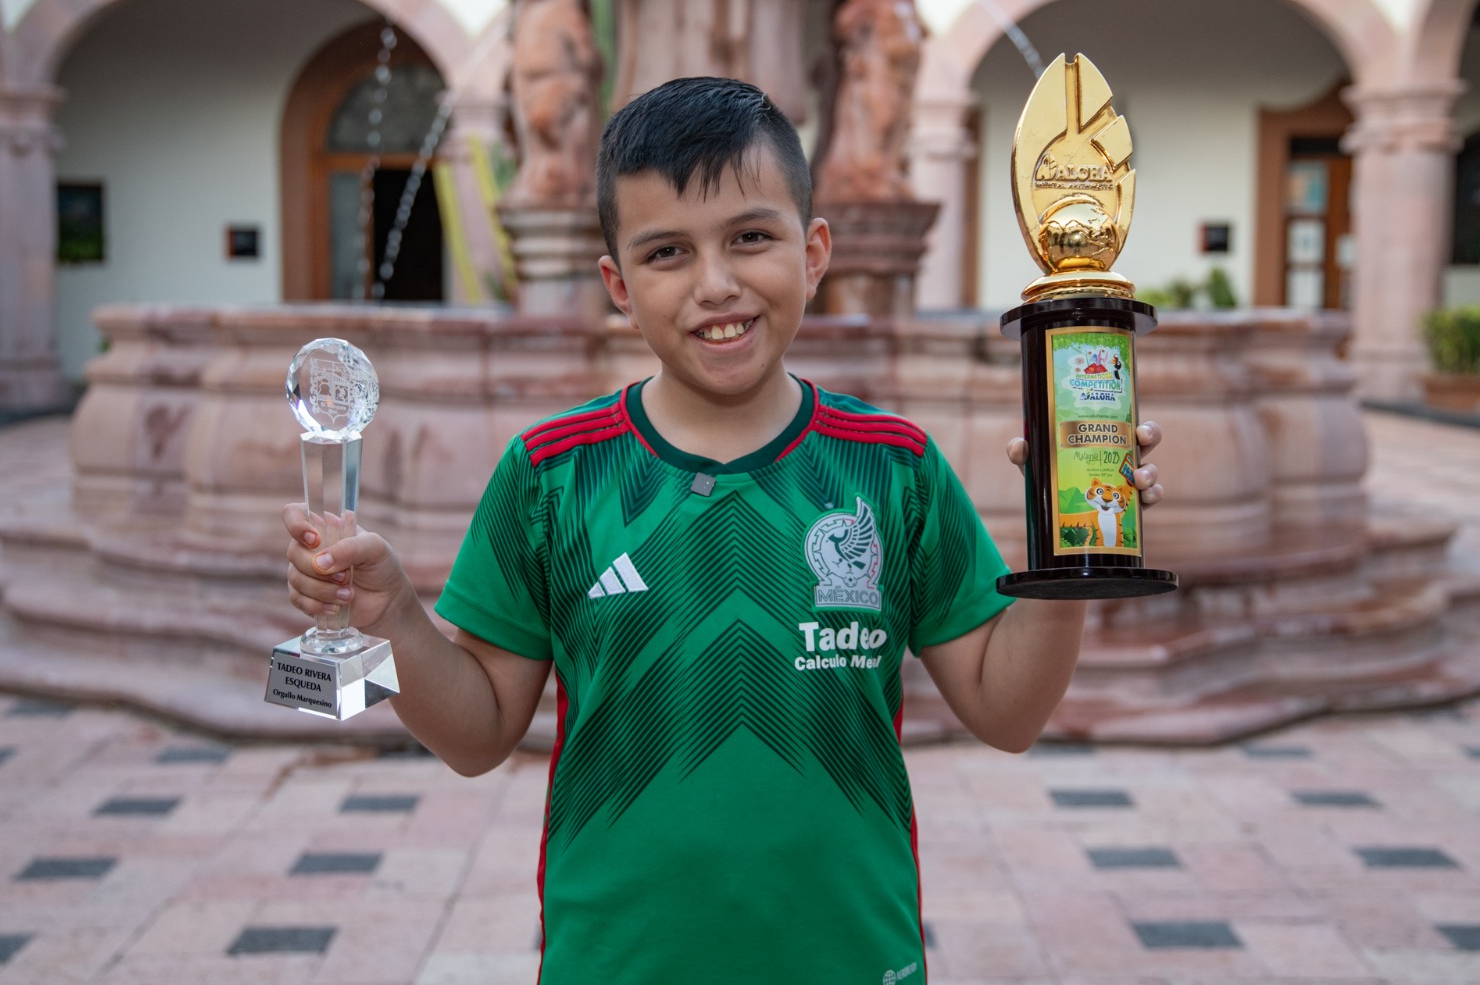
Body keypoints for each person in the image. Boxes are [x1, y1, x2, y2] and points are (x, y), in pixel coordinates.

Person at [283, 76, 1164, 983]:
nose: (716, 284)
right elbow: (477, 735)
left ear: (813, 251)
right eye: (668, 252)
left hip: (854, 960)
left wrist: (1074, 559)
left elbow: (1006, 712)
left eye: (751, 237)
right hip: (618, 963)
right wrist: (389, 618)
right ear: (619, 285)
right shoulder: (553, 472)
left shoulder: (891, 465)